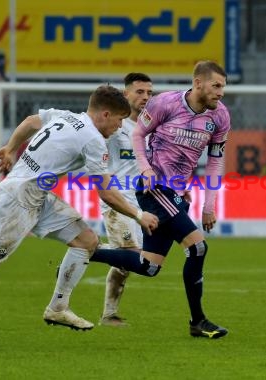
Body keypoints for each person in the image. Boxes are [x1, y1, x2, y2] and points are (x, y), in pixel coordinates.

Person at [0, 85, 159, 349]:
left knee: (86, 240)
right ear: (104, 114)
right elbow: (105, 191)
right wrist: (138, 214)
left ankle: (58, 307)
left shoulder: (65, 116)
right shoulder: (93, 140)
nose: (119, 126)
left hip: (39, 195)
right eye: (119, 120)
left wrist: (11, 148)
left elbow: (31, 121)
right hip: (17, 200)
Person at [90, 61, 231, 339]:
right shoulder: (165, 103)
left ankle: (87, 251)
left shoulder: (221, 117)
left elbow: (216, 160)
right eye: (216, 86)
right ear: (198, 83)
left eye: (223, 87)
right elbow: (138, 134)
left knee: (149, 266)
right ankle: (198, 322)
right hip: (154, 188)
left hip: (177, 192)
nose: (221, 92)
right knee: (197, 247)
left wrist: (209, 204)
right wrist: (146, 169)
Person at [97, 73, 153, 327]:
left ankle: (110, 315)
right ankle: (87, 250)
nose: (145, 97)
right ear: (125, 93)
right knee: (132, 255)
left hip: (138, 201)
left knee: (125, 264)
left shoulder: (147, 128)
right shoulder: (113, 125)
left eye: (149, 93)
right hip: (116, 198)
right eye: (139, 92)